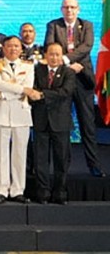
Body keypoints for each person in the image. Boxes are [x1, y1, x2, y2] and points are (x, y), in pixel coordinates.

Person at [45, 0, 105, 177]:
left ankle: (93, 164)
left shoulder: (86, 25)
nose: (69, 10)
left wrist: (67, 59)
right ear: (61, 9)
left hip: (82, 78)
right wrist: (65, 64)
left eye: (72, 7)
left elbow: (86, 46)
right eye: (66, 7)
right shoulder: (53, 25)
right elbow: (50, 46)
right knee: (61, 125)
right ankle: (61, 167)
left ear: (78, 9)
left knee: (87, 123)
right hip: (61, 78)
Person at [30, 42, 76, 204]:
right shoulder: (37, 71)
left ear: (62, 55)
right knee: (41, 160)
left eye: (57, 54)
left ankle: (60, 192)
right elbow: (31, 90)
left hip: (60, 122)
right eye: (51, 54)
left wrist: (42, 95)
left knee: (61, 159)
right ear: (45, 56)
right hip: (41, 121)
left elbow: (65, 92)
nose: (54, 57)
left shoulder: (68, 73)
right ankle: (43, 193)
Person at [0, 36, 35, 204]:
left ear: (21, 48)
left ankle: (18, 189)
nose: (13, 49)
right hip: (1, 112)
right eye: (9, 46)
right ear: (4, 48)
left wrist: (4, 93)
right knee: (0, 154)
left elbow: (29, 89)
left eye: (16, 46)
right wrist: (19, 89)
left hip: (22, 113)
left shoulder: (28, 66)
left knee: (19, 153)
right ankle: (1, 189)